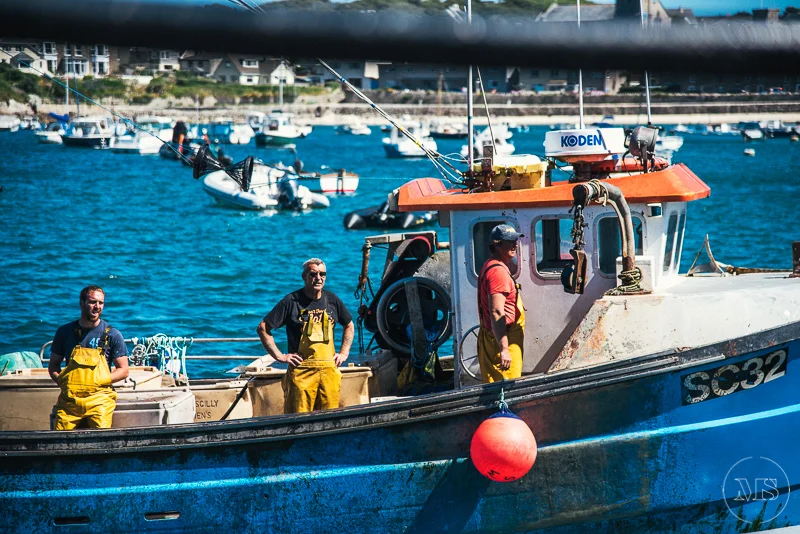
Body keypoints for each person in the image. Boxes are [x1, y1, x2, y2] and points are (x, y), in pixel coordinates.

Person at [256, 258, 354, 414]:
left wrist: (344, 353)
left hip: (329, 373)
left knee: (330, 419)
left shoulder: (333, 300)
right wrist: (280, 356)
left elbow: (349, 325)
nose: (318, 278)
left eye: (322, 274)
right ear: (304, 276)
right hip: (301, 372)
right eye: (313, 274)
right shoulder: (291, 301)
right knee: (298, 418)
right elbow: (263, 328)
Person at [48, 286, 129, 430]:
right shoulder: (64, 332)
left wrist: (101, 380)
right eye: (92, 302)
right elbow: (53, 365)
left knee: (101, 439)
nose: (97, 307)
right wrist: (62, 381)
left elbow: (123, 370)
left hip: (99, 400)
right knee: (59, 440)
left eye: (101, 303)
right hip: (70, 402)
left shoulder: (113, 335)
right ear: (81, 303)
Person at [477, 224, 526, 383]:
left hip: (495, 337)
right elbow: (497, 312)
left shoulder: (491, 264)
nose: (515, 245)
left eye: (515, 241)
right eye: (510, 241)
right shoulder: (498, 272)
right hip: (504, 339)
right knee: (506, 388)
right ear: (497, 244)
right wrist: (504, 349)